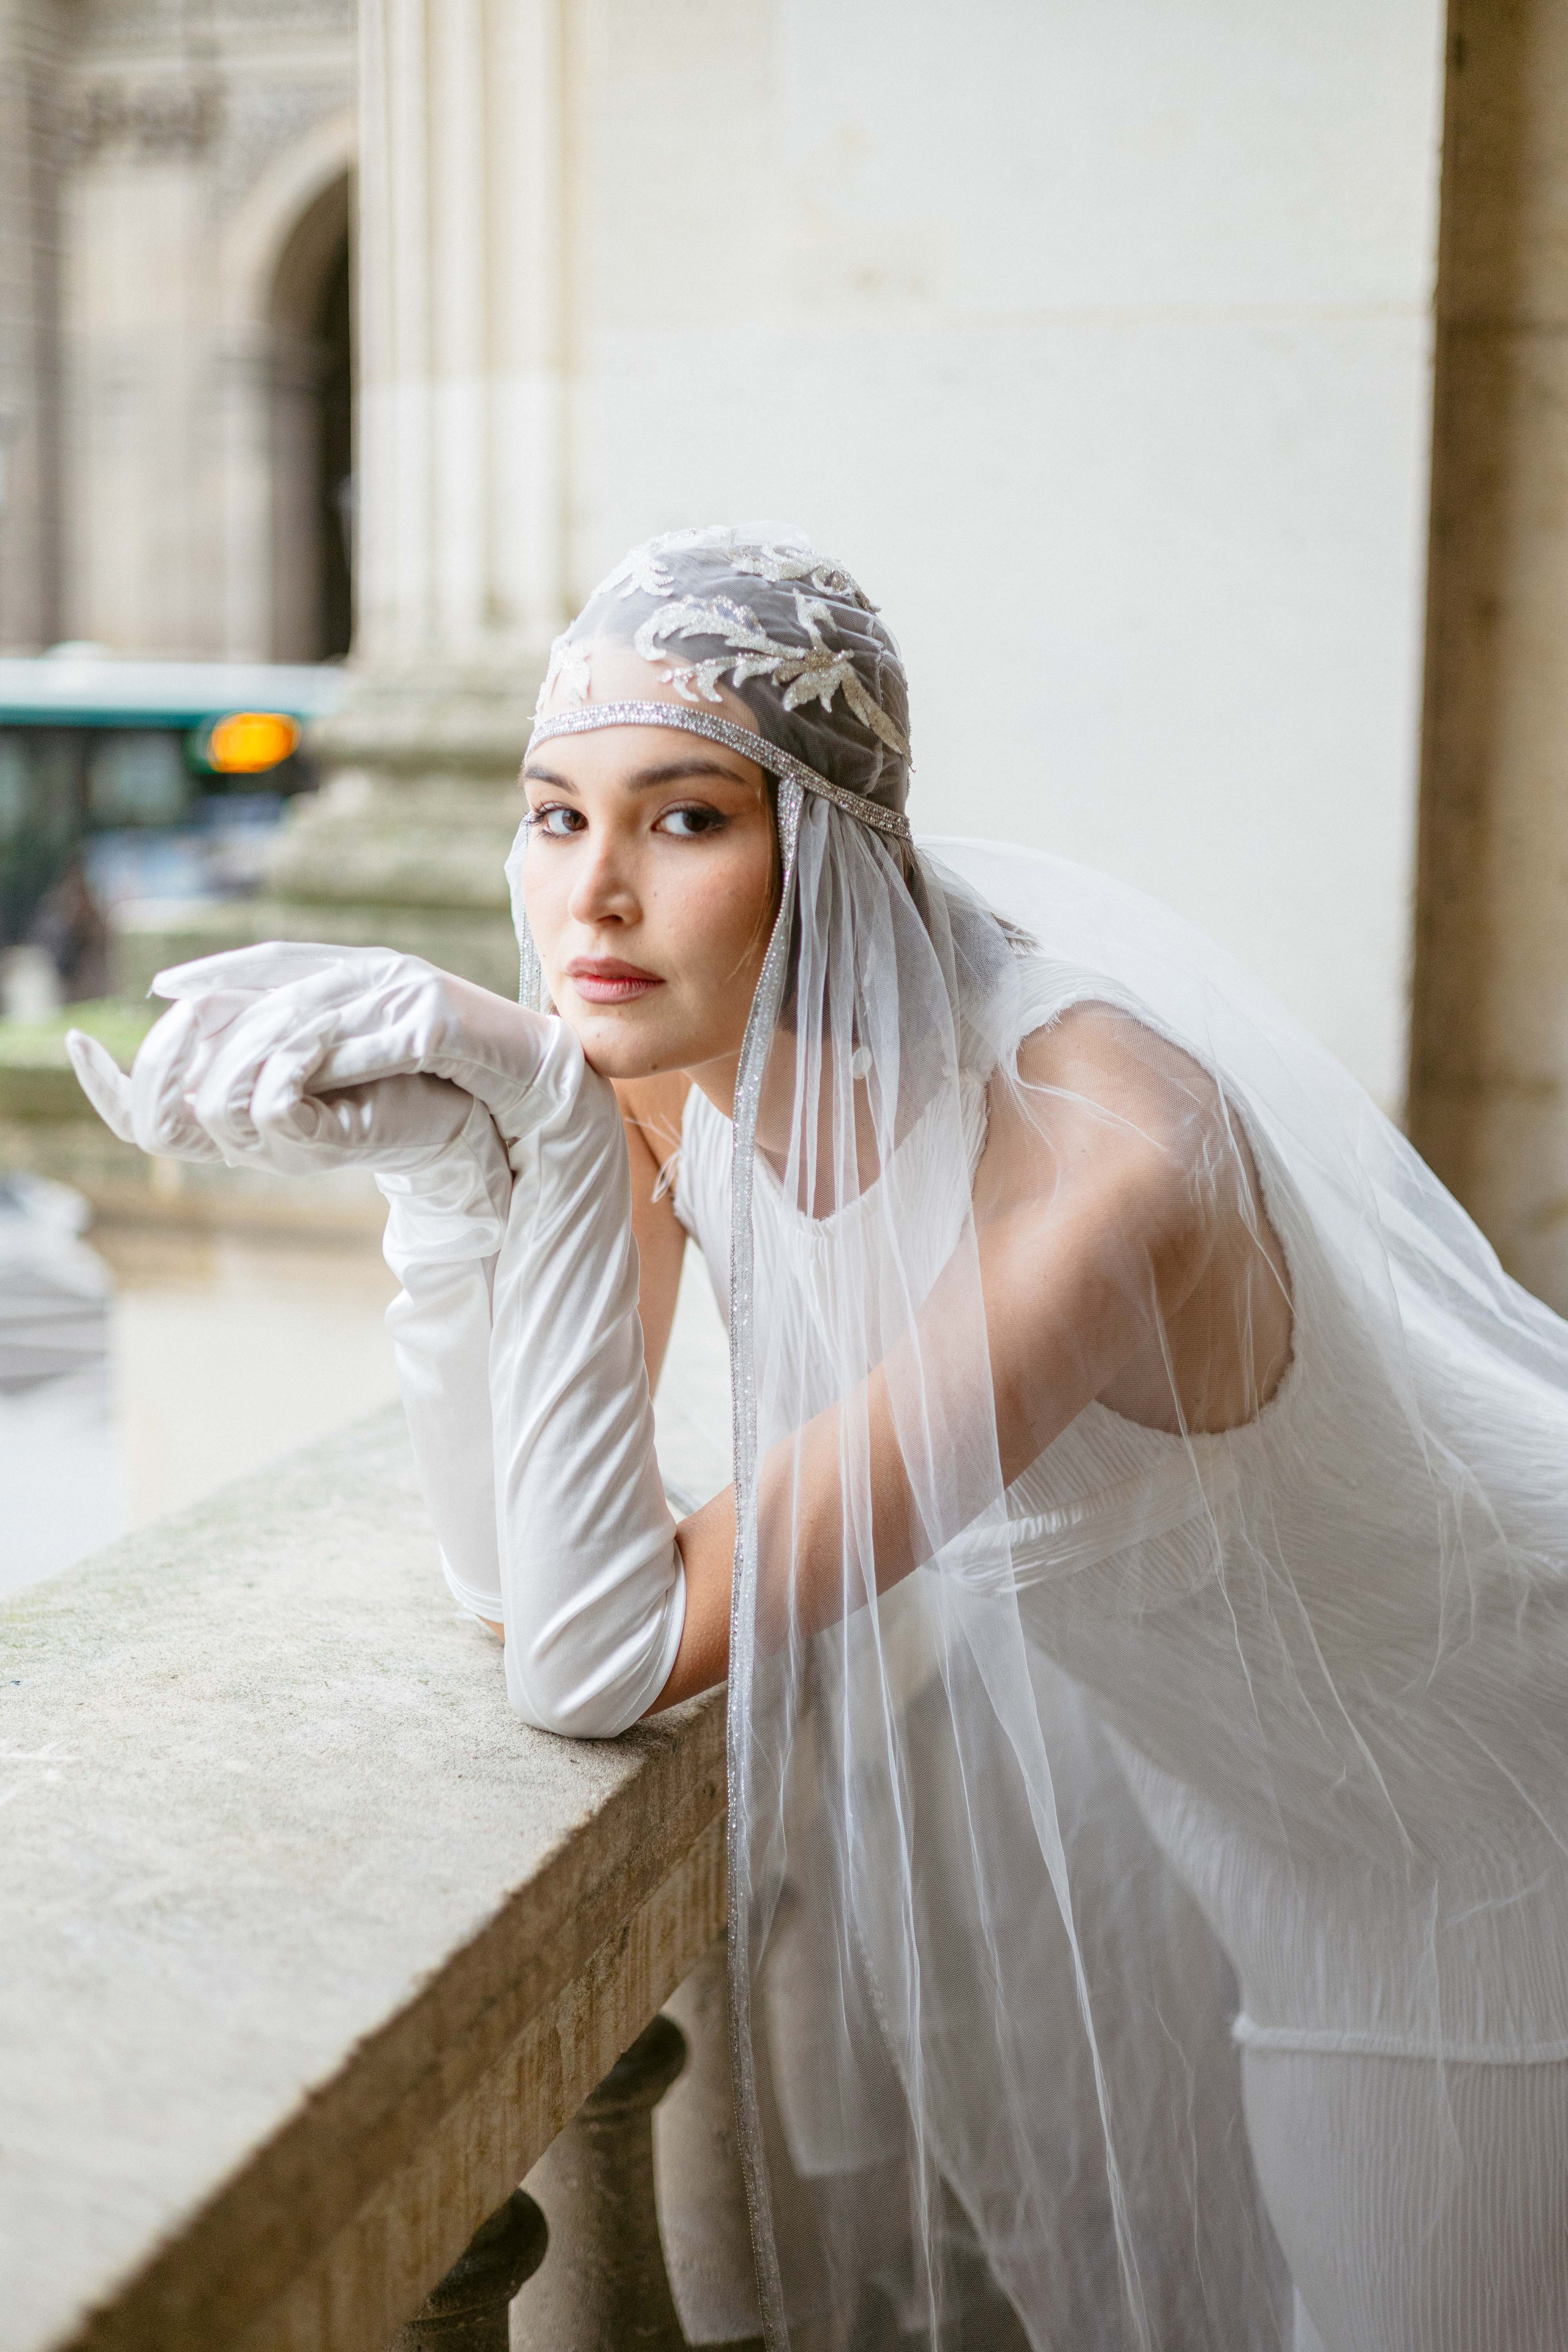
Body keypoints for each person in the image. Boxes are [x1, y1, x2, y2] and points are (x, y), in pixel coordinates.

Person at [70, 526, 1568, 2352]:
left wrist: (533, 1105)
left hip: (1477, 1827)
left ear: (828, 845)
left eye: (685, 819)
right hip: (1265, 1810)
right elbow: (510, 1576)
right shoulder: (664, 1072)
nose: (592, 898)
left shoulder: (1103, 1172)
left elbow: (593, 1656)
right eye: (557, 815)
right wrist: (460, 1175)